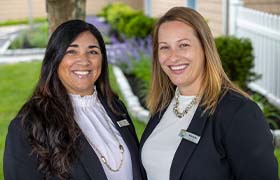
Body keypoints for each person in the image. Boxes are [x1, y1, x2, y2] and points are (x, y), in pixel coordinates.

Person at [140, 7, 278, 180]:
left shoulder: (239, 112)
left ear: (205, 48)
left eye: (183, 45)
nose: (173, 57)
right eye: (164, 47)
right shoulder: (163, 106)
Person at [4, 19, 145, 180]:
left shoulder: (116, 108)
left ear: (102, 59)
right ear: (55, 58)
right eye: (71, 51)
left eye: (92, 51)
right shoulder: (29, 125)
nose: (84, 61)